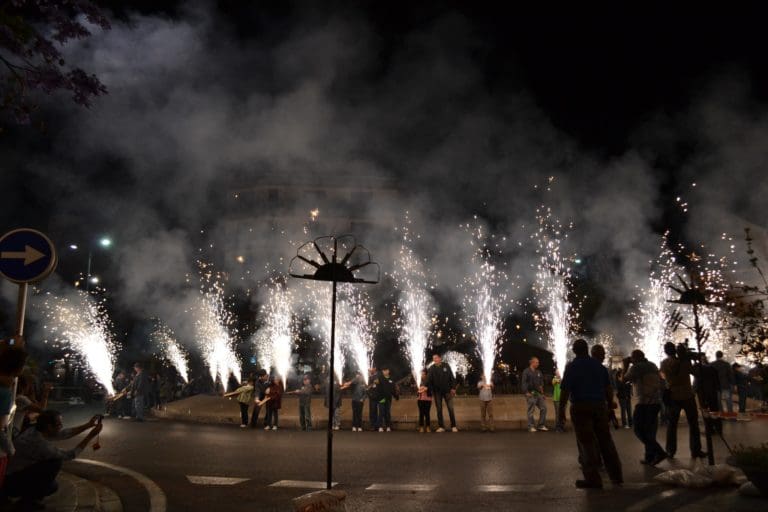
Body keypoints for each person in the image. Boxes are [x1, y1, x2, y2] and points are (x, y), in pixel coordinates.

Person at [559, 339, 623, 489]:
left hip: (580, 408)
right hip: (599, 407)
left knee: (586, 443)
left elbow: (565, 391)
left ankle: (593, 479)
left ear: (574, 351)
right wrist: (610, 404)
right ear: (587, 350)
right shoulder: (599, 366)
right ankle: (617, 476)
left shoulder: (572, 367)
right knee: (606, 442)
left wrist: (561, 410)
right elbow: (608, 388)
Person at [4, 411, 102, 508]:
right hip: (12, 482)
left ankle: (29, 496)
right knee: (55, 464)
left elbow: (63, 434)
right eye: (59, 424)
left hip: (11, 475)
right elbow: (70, 455)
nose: (62, 426)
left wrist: (88, 425)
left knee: (52, 485)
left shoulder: (34, 429)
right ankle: (28, 501)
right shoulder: (41, 445)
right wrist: (90, 436)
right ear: (49, 427)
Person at [660, 342, 706, 459]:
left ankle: (670, 451)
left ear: (665, 352)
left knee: (672, 425)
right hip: (687, 395)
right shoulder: (684, 361)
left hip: (673, 395)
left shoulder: (664, 363)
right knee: (693, 424)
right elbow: (697, 373)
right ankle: (696, 450)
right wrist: (694, 361)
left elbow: (663, 376)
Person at [624, 350, 667, 466]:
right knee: (650, 432)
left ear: (636, 358)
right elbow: (662, 381)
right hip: (656, 402)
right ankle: (649, 457)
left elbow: (624, 379)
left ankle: (659, 452)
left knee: (638, 430)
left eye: (632, 358)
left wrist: (626, 365)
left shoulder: (636, 367)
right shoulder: (652, 365)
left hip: (644, 403)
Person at [426, 354, 458, 432]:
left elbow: (451, 377)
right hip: (437, 392)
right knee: (439, 409)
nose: (435, 359)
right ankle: (441, 426)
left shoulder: (446, 365)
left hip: (447, 391)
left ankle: (453, 426)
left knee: (450, 408)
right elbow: (428, 380)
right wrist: (425, 386)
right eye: (433, 358)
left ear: (440, 358)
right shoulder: (431, 368)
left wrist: (453, 388)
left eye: (436, 358)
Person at [520, 357, 548, 432]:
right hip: (530, 393)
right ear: (532, 363)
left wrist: (542, 394)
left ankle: (541, 425)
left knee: (544, 408)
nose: (538, 364)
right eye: (537, 362)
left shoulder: (538, 372)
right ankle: (531, 426)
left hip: (538, 393)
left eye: (538, 362)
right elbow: (524, 382)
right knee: (531, 410)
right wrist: (526, 392)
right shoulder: (526, 371)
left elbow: (541, 384)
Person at [372, 367, 398, 432]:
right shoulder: (380, 378)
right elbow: (375, 383)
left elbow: (393, 389)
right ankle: (380, 426)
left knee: (387, 412)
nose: (385, 372)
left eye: (386, 370)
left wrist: (396, 396)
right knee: (381, 412)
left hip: (388, 398)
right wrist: (375, 381)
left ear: (388, 371)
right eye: (383, 371)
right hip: (381, 398)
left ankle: (388, 426)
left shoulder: (391, 379)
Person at [367, 367, 379, 431]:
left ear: (375, 368)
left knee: (377, 411)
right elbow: (367, 388)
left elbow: (379, 385)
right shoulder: (369, 377)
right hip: (372, 397)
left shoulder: (378, 376)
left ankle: (377, 425)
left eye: (371, 368)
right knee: (372, 411)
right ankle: (372, 425)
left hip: (378, 396)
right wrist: (370, 395)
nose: (370, 369)